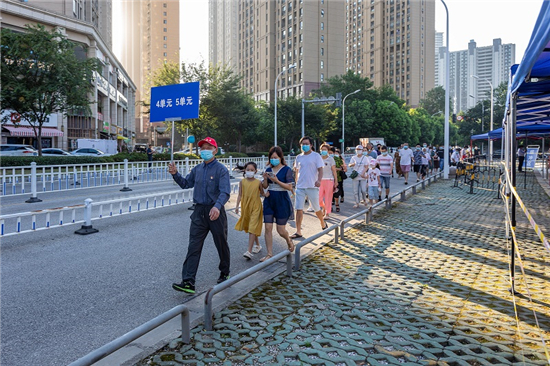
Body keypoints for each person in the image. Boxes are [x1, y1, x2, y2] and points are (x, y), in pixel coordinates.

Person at [169, 137, 231, 294]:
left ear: (215, 150)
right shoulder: (197, 169)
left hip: (215, 211)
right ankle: (188, 281)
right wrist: (175, 174)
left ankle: (225, 272)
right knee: (193, 246)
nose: (205, 150)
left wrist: (217, 207)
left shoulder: (221, 170)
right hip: (199, 212)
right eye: (202, 148)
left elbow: (225, 192)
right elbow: (186, 184)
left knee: (221, 243)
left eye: (208, 147)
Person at [261, 146, 295, 261]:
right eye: (271, 158)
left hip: (281, 200)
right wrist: (265, 179)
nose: (273, 160)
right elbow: (265, 186)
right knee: (268, 227)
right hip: (270, 199)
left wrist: (277, 181)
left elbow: (289, 187)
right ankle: (269, 254)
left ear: (281, 157)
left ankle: (288, 239)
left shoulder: (287, 169)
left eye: (275, 157)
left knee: (280, 230)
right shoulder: (268, 169)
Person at [291, 136, 327, 239]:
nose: (304, 146)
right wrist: (296, 183)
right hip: (300, 187)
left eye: (306, 144)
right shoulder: (299, 157)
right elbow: (297, 170)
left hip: (312, 186)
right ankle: (298, 231)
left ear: (311, 145)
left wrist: (319, 180)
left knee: (316, 208)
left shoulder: (316, 156)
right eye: (303, 144)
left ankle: (322, 223)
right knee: (298, 209)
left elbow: (320, 170)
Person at [235, 162, 265, 260]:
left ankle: (249, 251)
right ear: (245, 170)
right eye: (248, 169)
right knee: (250, 227)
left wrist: (268, 195)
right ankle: (258, 245)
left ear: (256, 171)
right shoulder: (242, 182)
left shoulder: (258, 182)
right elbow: (240, 194)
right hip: (246, 206)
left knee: (252, 227)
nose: (250, 172)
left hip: (256, 206)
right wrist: (237, 206)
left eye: (252, 170)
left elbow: (263, 193)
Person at [319, 143, 338, 219]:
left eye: (325, 150)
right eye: (322, 150)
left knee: (328, 198)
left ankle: (327, 213)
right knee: (318, 198)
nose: (323, 151)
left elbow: (334, 171)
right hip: (320, 180)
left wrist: (336, 181)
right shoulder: (318, 158)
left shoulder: (331, 159)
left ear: (328, 150)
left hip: (329, 180)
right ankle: (324, 207)